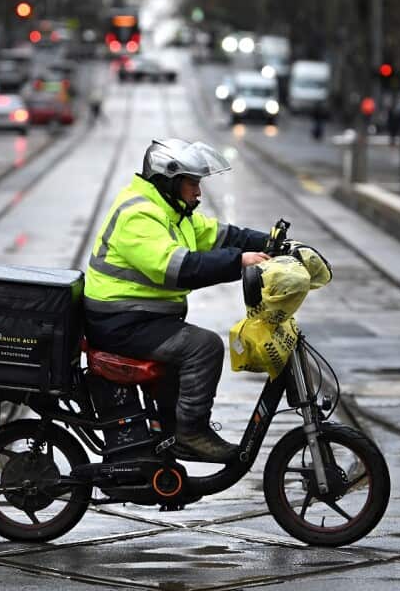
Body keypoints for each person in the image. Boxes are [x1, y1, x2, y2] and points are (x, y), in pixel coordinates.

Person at [83, 139, 271, 463]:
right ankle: (191, 434)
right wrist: (240, 262)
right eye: (193, 183)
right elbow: (179, 268)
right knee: (204, 347)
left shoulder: (171, 210)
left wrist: (273, 242)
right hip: (120, 321)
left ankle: (168, 429)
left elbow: (221, 234)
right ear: (169, 180)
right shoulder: (139, 214)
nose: (198, 193)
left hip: (139, 317)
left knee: (189, 349)